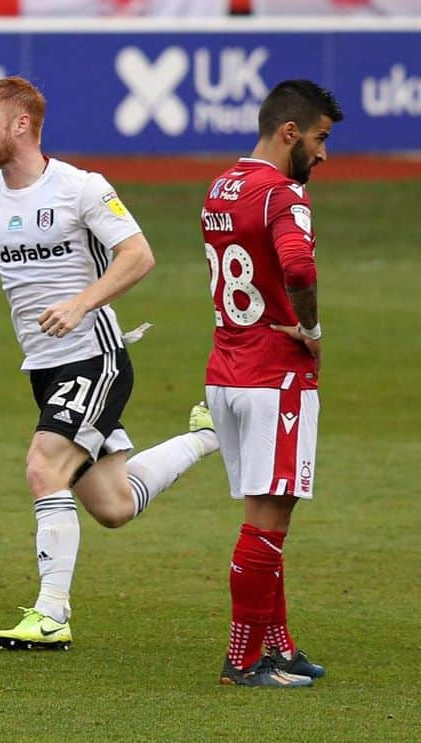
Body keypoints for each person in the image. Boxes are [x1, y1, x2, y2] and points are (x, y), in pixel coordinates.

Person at [0, 76, 220, 650]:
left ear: (20, 125)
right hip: (46, 369)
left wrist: (81, 304)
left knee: (44, 467)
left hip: (95, 359)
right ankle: (206, 437)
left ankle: (51, 614)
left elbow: (138, 255)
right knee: (114, 506)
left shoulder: (81, 188)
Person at [202, 79, 341, 687]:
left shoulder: (222, 186)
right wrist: (309, 326)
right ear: (291, 133)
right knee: (267, 521)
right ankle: (243, 659)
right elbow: (298, 267)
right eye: (320, 139)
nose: (323, 155)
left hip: (227, 368)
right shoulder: (283, 194)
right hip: (273, 373)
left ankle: (278, 647)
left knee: (271, 516)